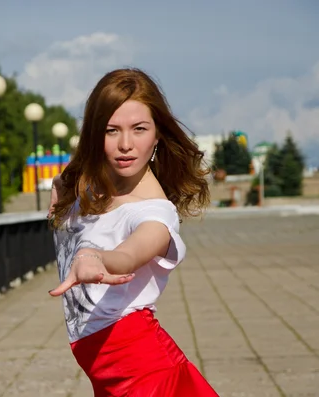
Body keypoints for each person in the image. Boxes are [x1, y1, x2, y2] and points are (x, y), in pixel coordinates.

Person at [47, 68, 219, 397]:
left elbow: (130, 253)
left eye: (139, 129)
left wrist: (98, 258)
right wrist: (63, 181)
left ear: (157, 135)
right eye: (112, 131)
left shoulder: (154, 212)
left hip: (142, 372)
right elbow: (76, 171)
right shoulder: (93, 184)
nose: (126, 145)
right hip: (107, 370)